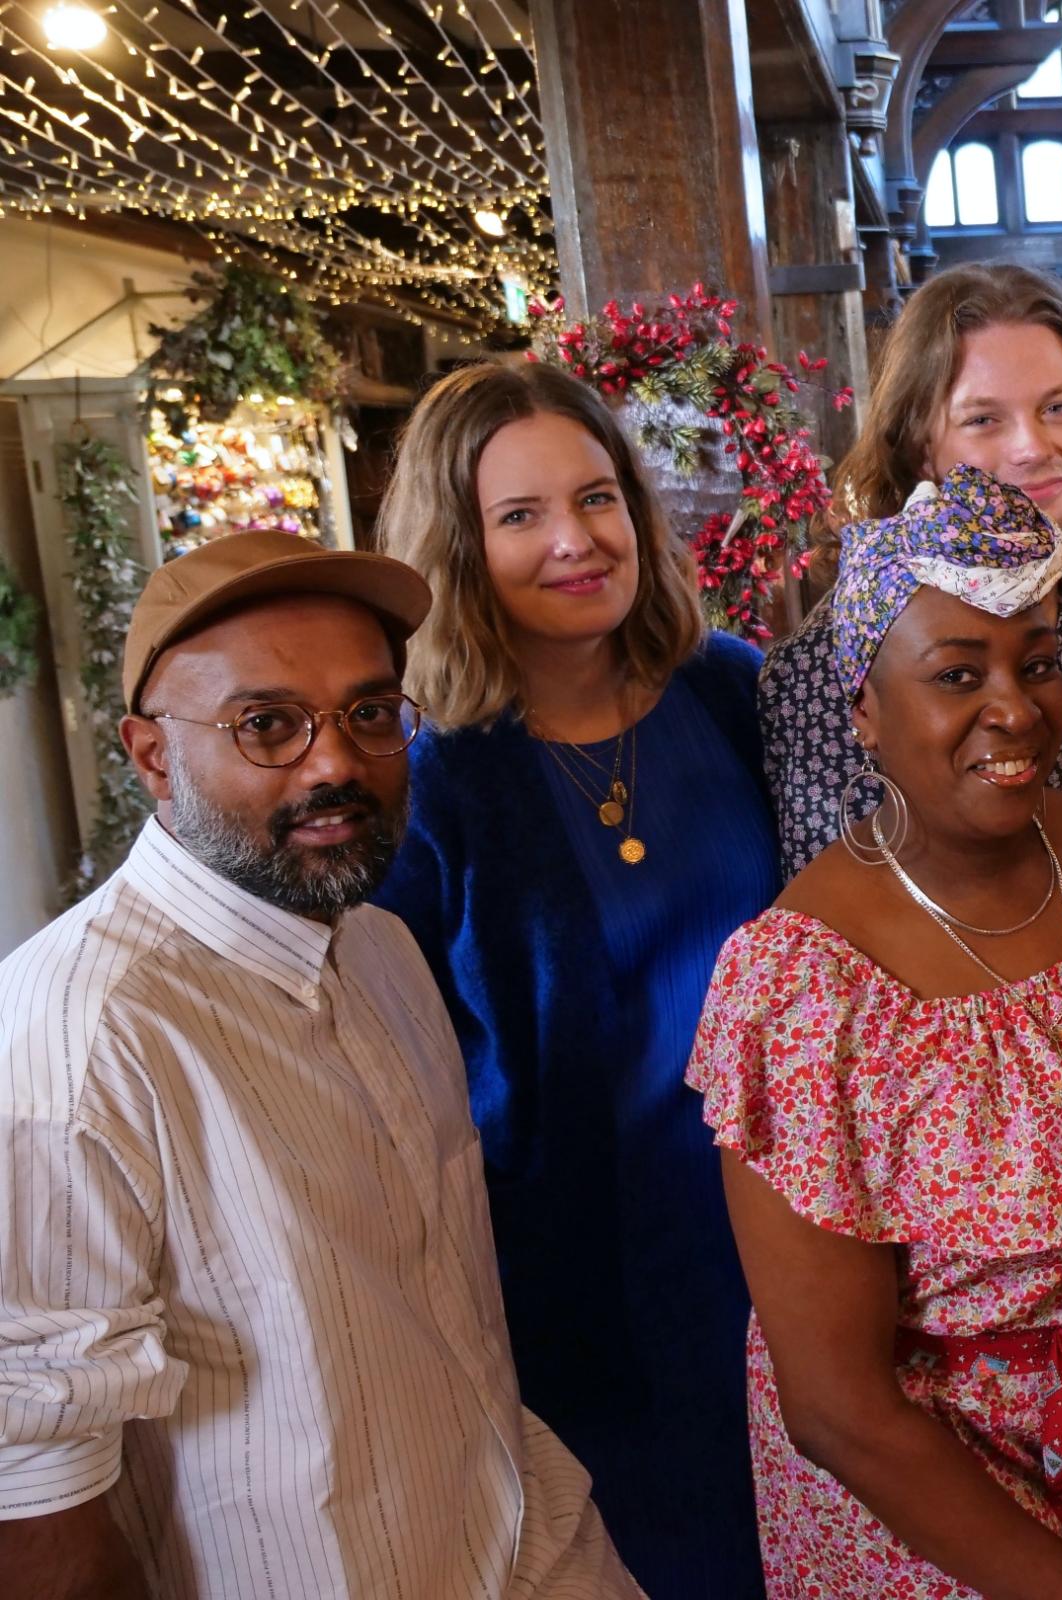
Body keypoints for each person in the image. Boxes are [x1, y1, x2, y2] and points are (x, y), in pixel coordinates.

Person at [0, 531, 638, 1599]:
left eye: (370, 713)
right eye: (267, 726)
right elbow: (36, 1490)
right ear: (153, 754)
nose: (335, 762)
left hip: (524, 1540)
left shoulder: (376, 944)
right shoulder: (81, 1040)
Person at [689, 465, 1062, 1600]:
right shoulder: (802, 988)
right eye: (956, 673)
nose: (1014, 706)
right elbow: (839, 1409)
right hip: (926, 1520)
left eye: (1036, 664)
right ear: (862, 708)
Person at [372, 360, 777, 1597]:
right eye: (519, 516)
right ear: (455, 548)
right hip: (594, 1279)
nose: (574, 542)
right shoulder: (435, 784)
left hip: (796, 1244)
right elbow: (404, 1066)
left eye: (597, 499)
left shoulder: (731, 688)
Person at [762, 261, 1062, 876]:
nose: (1032, 447)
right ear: (920, 445)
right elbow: (846, 914)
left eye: (1058, 407)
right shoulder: (833, 661)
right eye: (983, 419)